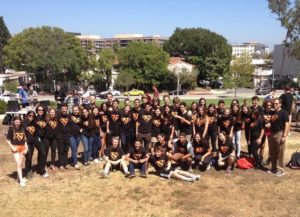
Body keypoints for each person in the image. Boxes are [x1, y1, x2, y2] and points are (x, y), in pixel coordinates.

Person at [268, 98, 289, 176]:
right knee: (272, 152)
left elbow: (287, 124)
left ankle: (281, 170)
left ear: (280, 104)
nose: (275, 105)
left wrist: (284, 135)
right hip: (271, 133)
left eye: (277, 103)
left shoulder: (284, 113)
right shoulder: (272, 112)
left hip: (279, 133)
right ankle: (273, 169)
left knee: (280, 152)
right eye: (274, 104)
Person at [6, 116, 28, 187]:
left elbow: (25, 140)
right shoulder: (11, 129)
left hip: (22, 147)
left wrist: (26, 148)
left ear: (21, 122)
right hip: (15, 148)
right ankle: (21, 181)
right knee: (18, 163)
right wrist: (12, 147)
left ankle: (19, 178)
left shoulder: (22, 129)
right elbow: (8, 140)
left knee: (21, 164)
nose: (17, 123)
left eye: (19, 122)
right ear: (14, 122)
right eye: (16, 122)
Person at [35, 105, 49, 177]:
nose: (40, 111)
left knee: (44, 153)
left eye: (42, 110)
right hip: (37, 137)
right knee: (42, 152)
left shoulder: (46, 118)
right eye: (39, 110)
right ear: (37, 111)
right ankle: (42, 171)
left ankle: (40, 166)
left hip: (45, 138)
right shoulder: (34, 118)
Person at [57, 104, 71, 170]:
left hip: (67, 135)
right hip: (60, 136)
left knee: (66, 150)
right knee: (60, 150)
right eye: (62, 109)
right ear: (61, 109)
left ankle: (65, 163)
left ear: (67, 109)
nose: (64, 110)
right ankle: (61, 164)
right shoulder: (58, 116)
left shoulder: (69, 116)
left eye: (65, 108)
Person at [23, 111, 37, 177]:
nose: (31, 117)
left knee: (30, 156)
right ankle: (27, 171)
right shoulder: (24, 122)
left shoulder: (34, 123)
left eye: (33, 116)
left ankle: (29, 169)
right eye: (30, 115)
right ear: (27, 115)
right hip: (27, 142)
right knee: (28, 156)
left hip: (33, 142)